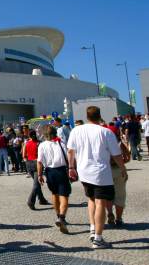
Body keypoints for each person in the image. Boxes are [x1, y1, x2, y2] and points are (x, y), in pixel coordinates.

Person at [67, 106, 127, 249]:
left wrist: (71, 167)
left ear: (87, 116)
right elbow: (116, 154)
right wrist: (123, 168)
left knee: (91, 199)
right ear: (99, 116)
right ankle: (98, 239)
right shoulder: (105, 132)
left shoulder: (76, 130)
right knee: (101, 202)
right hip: (100, 172)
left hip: (84, 171)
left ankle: (93, 228)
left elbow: (70, 151)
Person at [37, 126, 71, 234]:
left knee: (54, 194)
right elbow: (68, 158)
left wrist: (39, 175)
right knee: (64, 195)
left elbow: (39, 161)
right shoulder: (61, 143)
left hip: (49, 172)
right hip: (61, 171)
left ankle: (58, 216)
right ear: (55, 133)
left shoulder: (42, 145)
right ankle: (62, 217)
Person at [106, 136, 130, 227]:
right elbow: (127, 157)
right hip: (119, 169)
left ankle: (110, 213)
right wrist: (122, 163)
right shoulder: (119, 144)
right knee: (120, 195)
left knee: (108, 194)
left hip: (106, 171)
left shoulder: (102, 145)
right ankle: (119, 218)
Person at [23, 130, 49, 210]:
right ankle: (31, 201)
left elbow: (24, 155)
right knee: (36, 184)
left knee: (36, 182)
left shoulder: (26, 143)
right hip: (37, 163)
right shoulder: (39, 143)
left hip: (28, 164)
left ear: (29, 136)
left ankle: (42, 199)